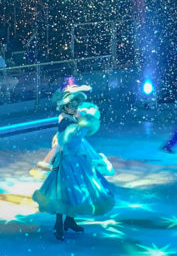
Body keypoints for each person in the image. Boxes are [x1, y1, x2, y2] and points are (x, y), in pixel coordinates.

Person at [32, 79, 115, 241]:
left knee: (76, 191)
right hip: (66, 162)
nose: (74, 108)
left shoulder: (74, 116)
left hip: (78, 161)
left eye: (75, 105)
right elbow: (65, 140)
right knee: (62, 192)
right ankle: (59, 223)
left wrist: (83, 116)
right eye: (71, 105)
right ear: (64, 106)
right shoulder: (65, 121)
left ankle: (69, 220)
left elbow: (88, 118)